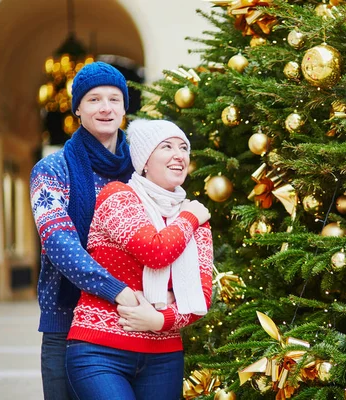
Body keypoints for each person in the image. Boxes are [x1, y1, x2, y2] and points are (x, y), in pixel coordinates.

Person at [65, 119, 214, 400]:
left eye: (184, 147)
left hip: (163, 358)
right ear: (145, 160)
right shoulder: (118, 197)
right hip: (100, 352)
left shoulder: (197, 220)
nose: (178, 154)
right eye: (166, 146)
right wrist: (189, 218)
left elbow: (200, 297)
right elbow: (155, 252)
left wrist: (158, 320)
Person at [30, 61, 141, 400]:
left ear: (124, 107)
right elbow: (59, 243)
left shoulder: (142, 169)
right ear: (77, 108)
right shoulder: (52, 169)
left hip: (134, 322)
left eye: (113, 99)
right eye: (93, 99)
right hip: (68, 325)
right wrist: (116, 289)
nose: (105, 108)